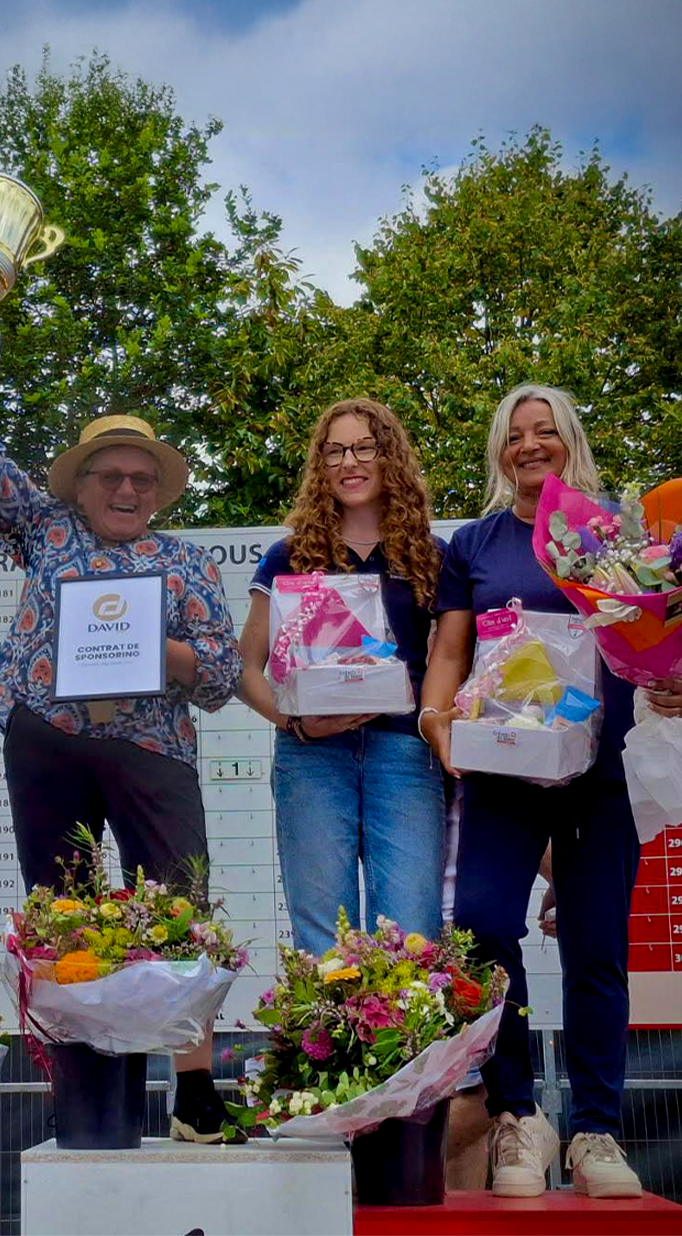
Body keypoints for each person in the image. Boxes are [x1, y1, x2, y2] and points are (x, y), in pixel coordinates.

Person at [0, 276, 243, 1145]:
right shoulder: (44, 528)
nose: (126, 487)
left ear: (160, 492)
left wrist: (153, 647)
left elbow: (220, 677)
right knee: (62, 912)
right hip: (50, 741)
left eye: (142, 478)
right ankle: (84, 1091)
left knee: (179, 908)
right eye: (110, 474)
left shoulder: (186, 564)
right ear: (79, 486)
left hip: (153, 750)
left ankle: (194, 1093)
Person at [419, 383, 682, 1200]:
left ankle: (596, 1130)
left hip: (599, 771)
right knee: (480, 929)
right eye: (515, 434)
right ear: (499, 451)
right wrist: (436, 719)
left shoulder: (618, 535)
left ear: (569, 439)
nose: (530, 445)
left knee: (595, 946)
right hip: (501, 768)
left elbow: (672, 641)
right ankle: (517, 1114)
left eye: (545, 431)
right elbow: (449, 652)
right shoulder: (474, 543)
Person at [237, 397, 446, 954]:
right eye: (334, 452)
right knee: (323, 938)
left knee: (413, 934)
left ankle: (408, 1020)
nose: (349, 462)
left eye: (364, 448)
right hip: (312, 757)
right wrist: (296, 725)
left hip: (404, 752)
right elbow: (244, 669)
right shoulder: (288, 556)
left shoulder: (430, 555)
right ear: (320, 465)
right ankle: (324, 1019)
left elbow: (452, 662)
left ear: (390, 457)